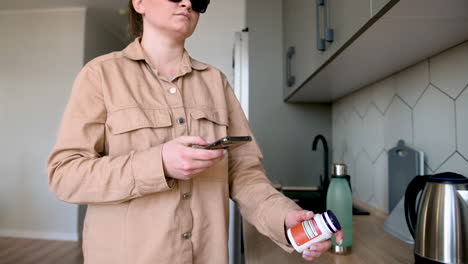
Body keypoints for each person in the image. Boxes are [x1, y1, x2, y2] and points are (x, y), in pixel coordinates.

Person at [47, 0, 344, 263]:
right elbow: (65, 175)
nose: (188, 2)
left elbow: (243, 172)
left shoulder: (216, 82)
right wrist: (159, 163)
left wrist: (284, 216)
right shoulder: (100, 75)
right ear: (139, 3)